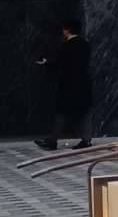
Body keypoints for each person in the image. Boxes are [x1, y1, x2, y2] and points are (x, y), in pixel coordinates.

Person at [34, 19, 94, 152]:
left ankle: (52, 140)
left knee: (62, 112)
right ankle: (86, 140)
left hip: (69, 83)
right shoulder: (85, 44)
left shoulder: (67, 45)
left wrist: (46, 62)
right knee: (86, 111)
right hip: (84, 82)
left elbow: (59, 62)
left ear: (67, 30)